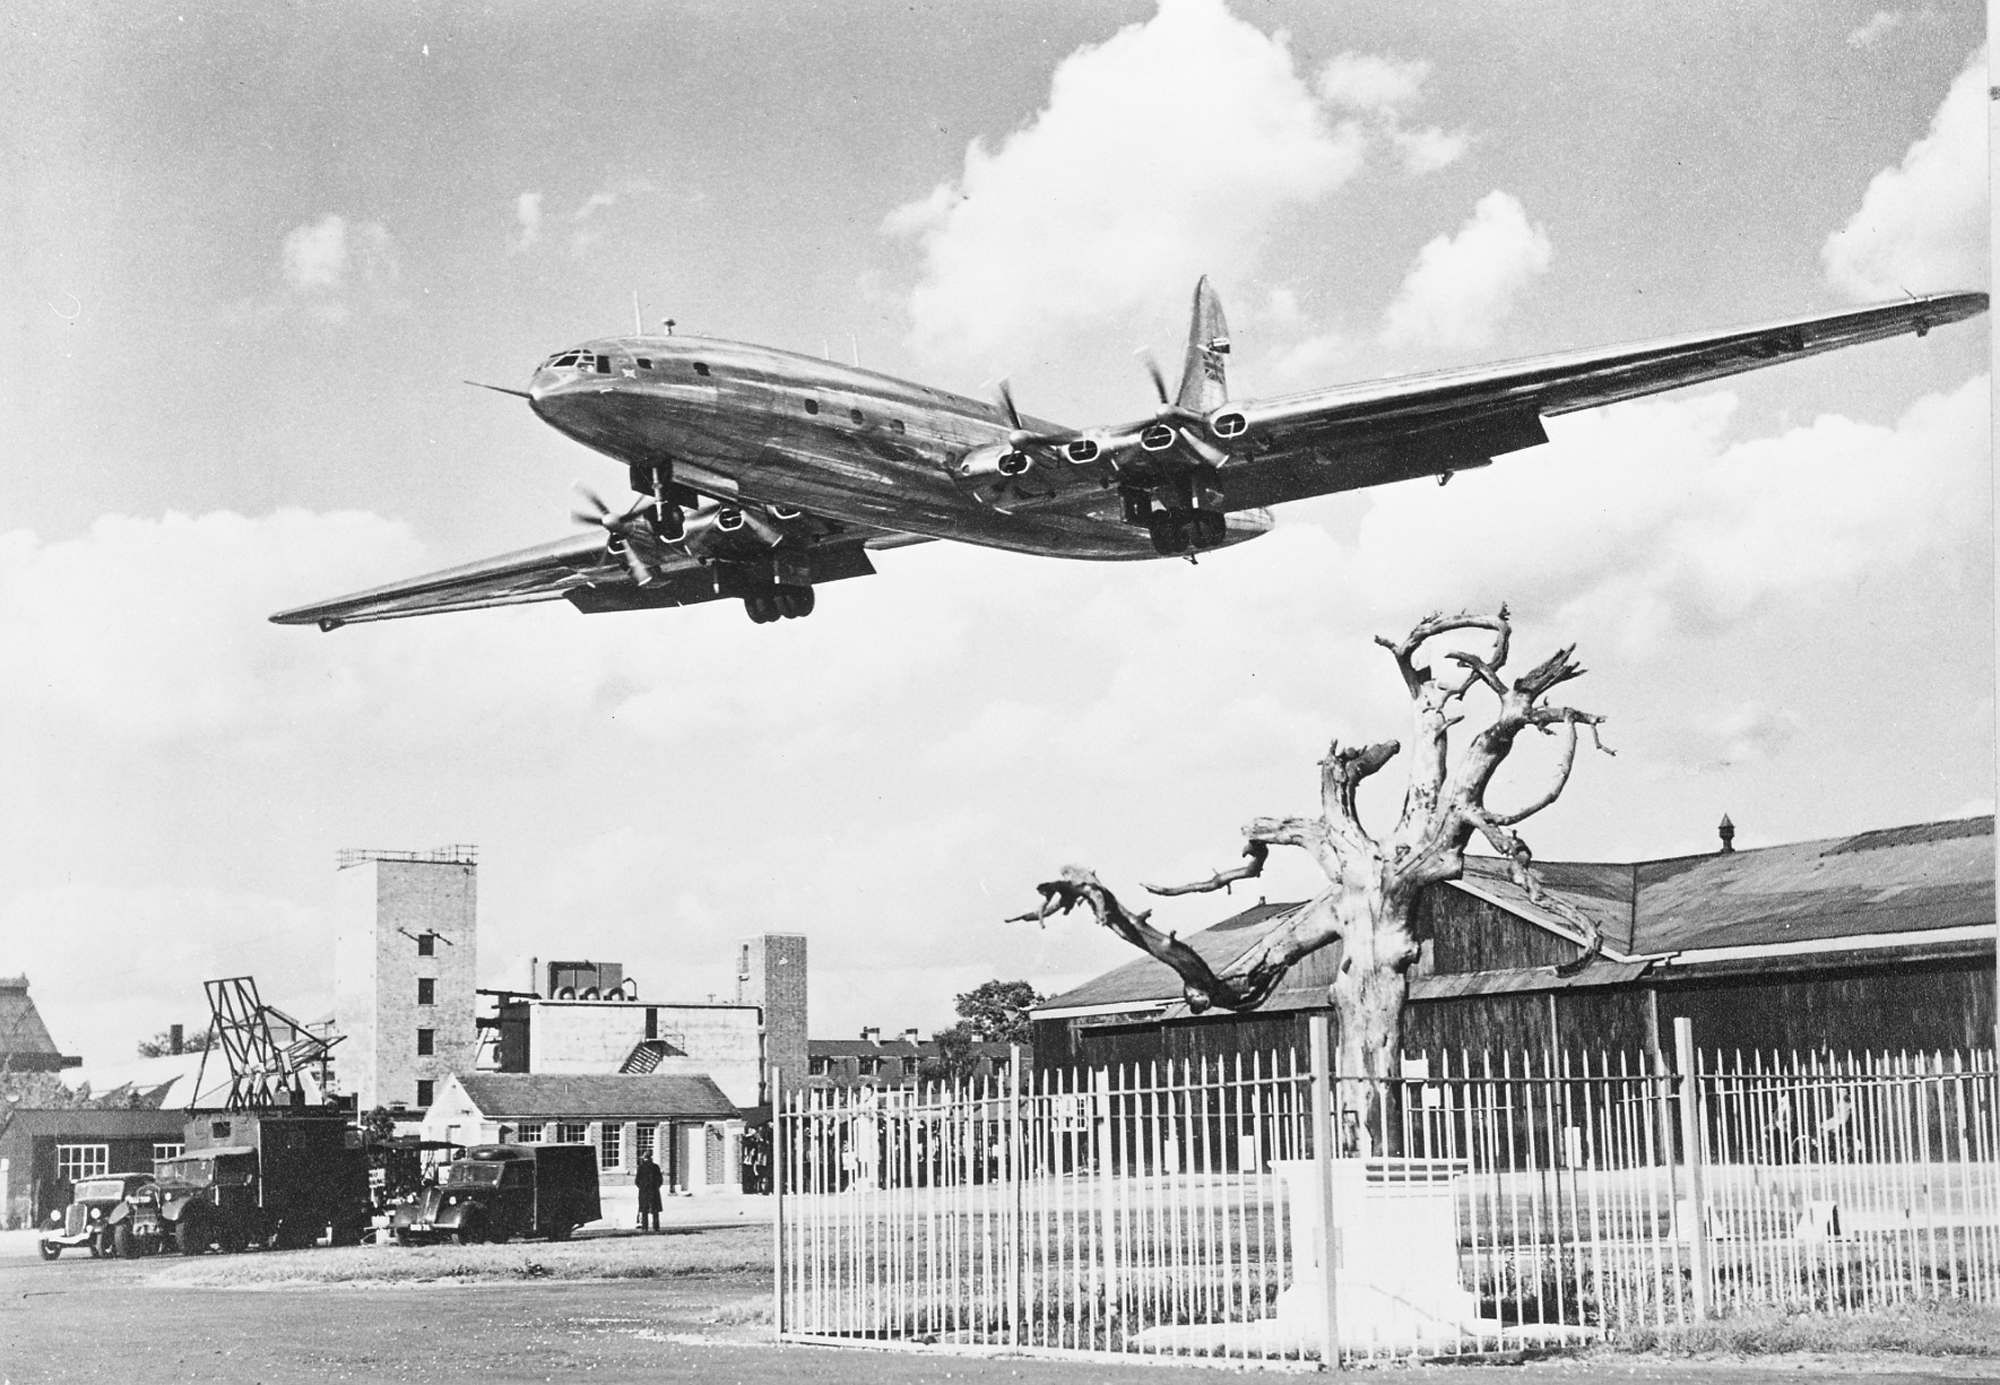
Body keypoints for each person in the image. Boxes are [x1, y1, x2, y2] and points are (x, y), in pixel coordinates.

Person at [635, 1153, 663, 1232]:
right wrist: (656, 1187)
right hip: (654, 1191)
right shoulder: (655, 1167)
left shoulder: (641, 1167)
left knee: (644, 1210)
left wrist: (642, 1187)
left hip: (644, 1191)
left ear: (644, 1158)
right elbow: (660, 1180)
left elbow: (637, 1181)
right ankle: (656, 1227)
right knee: (655, 1210)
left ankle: (645, 1227)